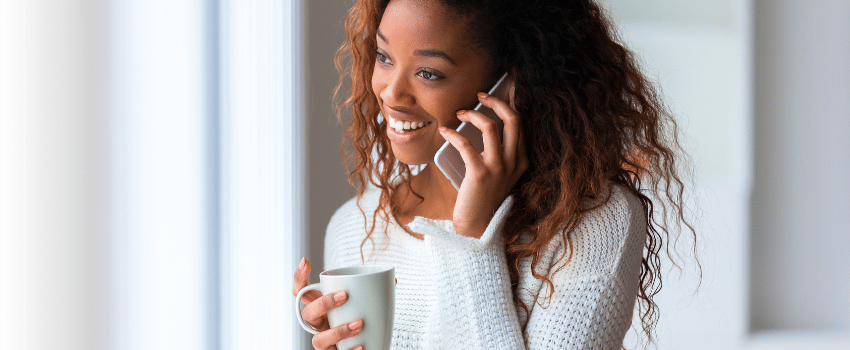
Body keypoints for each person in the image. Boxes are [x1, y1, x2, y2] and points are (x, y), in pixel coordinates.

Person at [292, 0, 694, 349]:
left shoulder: (595, 224)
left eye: (429, 72)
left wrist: (471, 236)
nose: (391, 94)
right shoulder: (355, 227)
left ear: (512, 85)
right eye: (383, 56)